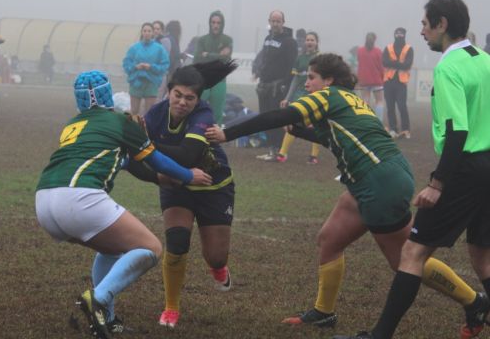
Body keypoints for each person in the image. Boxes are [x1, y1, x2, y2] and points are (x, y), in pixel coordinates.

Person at [205, 53, 482, 336]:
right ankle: (323, 312)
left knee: (405, 259)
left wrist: (228, 133)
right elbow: (337, 137)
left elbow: (279, 115)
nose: (307, 83)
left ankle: (475, 301)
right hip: (374, 177)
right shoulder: (349, 98)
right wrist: (302, 133)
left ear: (328, 80)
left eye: (311, 78)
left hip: (379, 181)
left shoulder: (328, 95)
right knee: (330, 239)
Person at [333, 0, 490, 339]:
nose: (421, 31)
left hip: (464, 168)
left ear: (442, 24)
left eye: (424, 24)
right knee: (482, 256)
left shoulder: (449, 67)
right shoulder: (484, 60)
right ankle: (478, 307)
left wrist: (438, 183)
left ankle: (380, 336)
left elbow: (457, 131)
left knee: (413, 252)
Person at [35, 70, 212, 339]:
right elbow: (157, 160)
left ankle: (107, 318)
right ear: (109, 94)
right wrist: (189, 175)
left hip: (45, 201)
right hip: (79, 198)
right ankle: (99, 298)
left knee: (113, 248)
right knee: (150, 248)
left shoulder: (73, 125)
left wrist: (157, 178)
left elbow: (123, 161)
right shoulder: (120, 121)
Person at [141, 60, 236, 328]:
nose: (183, 102)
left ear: (198, 99)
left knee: (216, 255)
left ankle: (218, 267)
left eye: (190, 98)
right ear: (168, 92)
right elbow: (139, 158)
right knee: (177, 242)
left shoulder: (204, 114)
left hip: (214, 187)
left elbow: (188, 155)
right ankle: (171, 308)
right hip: (177, 186)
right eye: (178, 95)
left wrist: (144, 142)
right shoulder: (155, 114)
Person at [253, 10, 298, 161]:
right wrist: (258, 72)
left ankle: (278, 150)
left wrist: (285, 85)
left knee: (276, 118)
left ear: (283, 22)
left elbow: (292, 65)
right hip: (264, 85)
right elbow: (264, 59)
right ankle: (270, 148)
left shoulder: (289, 42)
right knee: (265, 117)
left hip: (278, 87)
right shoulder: (267, 39)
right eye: (273, 21)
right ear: (269, 21)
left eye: (278, 21)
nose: (275, 24)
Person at [274, 31, 321, 164]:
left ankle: (314, 156)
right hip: (299, 95)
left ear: (317, 42)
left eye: (312, 40)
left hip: (314, 95)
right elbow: (295, 80)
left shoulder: (320, 58)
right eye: (308, 40)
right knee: (292, 122)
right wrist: (287, 98)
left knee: (314, 124)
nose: (309, 42)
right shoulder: (300, 58)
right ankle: (283, 153)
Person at [194, 10, 233, 125]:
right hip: (203, 80)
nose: (215, 25)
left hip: (219, 81)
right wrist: (219, 55)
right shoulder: (202, 40)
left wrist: (208, 55)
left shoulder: (227, 40)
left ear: (222, 24)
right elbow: (197, 59)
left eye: (218, 23)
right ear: (210, 23)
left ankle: (215, 139)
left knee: (217, 113)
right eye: (213, 22)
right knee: (198, 109)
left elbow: (225, 60)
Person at [122, 22, 169, 115]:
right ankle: (133, 128)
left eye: (149, 31)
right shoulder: (134, 48)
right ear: (141, 32)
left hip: (151, 82)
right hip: (136, 82)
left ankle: (146, 129)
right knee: (134, 111)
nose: (147, 33)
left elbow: (164, 65)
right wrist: (136, 67)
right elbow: (126, 63)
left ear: (152, 33)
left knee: (149, 112)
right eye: (145, 31)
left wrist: (151, 67)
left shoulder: (159, 49)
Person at [382, 28, 414, 140]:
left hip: (401, 83)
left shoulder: (409, 48)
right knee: (390, 107)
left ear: (404, 35)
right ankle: (393, 129)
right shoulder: (388, 47)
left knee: (402, 106)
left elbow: (407, 65)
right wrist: (399, 64)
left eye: (401, 34)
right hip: (388, 81)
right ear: (394, 34)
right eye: (397, 33)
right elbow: (384, 62)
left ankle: (406, 130)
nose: (399, 35)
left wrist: (393, 64)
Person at [356, 32, 385, 122]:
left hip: (364, 80)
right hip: (376, 80)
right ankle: (379, 121)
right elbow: (381, 66)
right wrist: (382, 77)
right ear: (375, 40)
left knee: (365, 100)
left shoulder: (360, 51)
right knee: (379, 101)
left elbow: (359, 64)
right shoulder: (378, 51)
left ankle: (365, 120)